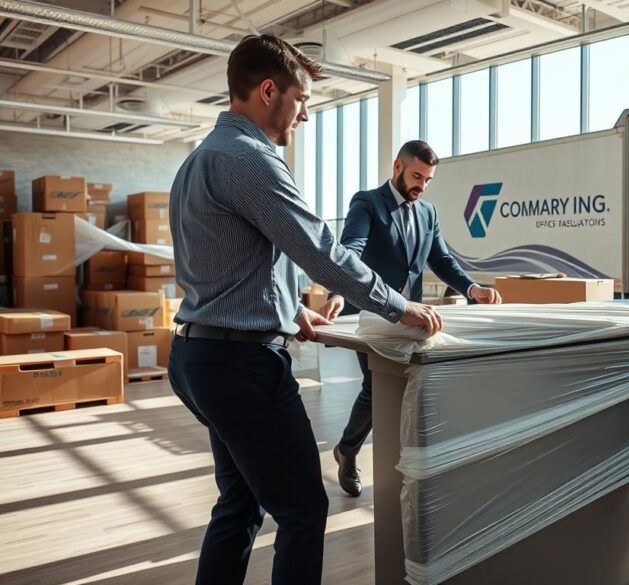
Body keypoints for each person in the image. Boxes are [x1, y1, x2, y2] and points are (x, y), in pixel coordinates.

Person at [167, 34, 443, 585]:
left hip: (198, 356)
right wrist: (400, 306)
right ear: (269, 91)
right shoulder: (250, 161)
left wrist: (290, 311)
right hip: (241, 368)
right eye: (302, 99)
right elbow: (322, 251)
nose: (307, 114)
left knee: (240, 503)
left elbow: (230, 262)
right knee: (302, 509)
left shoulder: (201, 159)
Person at [318, 140, 502, 497]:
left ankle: (398, 461)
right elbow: (350, 252)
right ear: (397, 167)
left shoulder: (427, 213)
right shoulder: (368, 202)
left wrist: (472, 288)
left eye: (428, 179)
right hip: (370, 314)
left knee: (408, 386)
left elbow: (442, 260)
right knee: (377, 386)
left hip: (411, 317)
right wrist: (338, 291)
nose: (422, 184)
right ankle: (349, 450)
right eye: (417, 175)